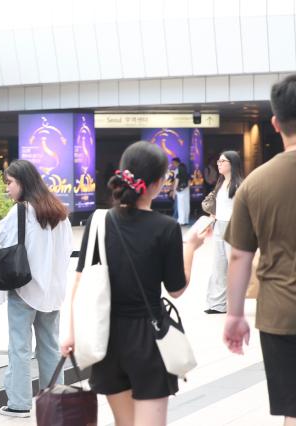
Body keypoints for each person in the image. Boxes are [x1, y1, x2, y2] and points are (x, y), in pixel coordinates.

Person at [60, 142, 205, 426]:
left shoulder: (99, 221)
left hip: (107, 340)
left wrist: (70, 333)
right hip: (149, 341)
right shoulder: (166, 228)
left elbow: (79, 280)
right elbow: (176, 289)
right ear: (159, 182)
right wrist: (191, 246)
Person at [223, 74, 296, 425]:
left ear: (275, 122)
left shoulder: (254, 184)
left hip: (280, 314)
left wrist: (234, 314)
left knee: (292, 410)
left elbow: (240, 256)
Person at [0, 160, 73, 418]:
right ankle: (55, 402)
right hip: (51, 290)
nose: (7, 189)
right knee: (50, 345)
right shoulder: (58, 212)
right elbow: (67, 249)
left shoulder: (21, 212)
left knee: (19, 345)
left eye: (10, 183)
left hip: (24, 287)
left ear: (23, 183)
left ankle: (19, 403)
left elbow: (3, 237)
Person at [204, 150, 243, 314]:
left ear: (232, 164)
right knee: (218, 265)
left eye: (222, 161)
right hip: (219, 225)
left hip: (233, 226)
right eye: (218, 161)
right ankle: (217, 304)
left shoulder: (240, 185)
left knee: (233, 267)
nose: (219, 164)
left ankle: (235, 304)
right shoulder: (220, 184)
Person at [173, 159, 191, 225]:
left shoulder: (178, 174)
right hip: (186, 190)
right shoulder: (187, 174)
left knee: (181, 206)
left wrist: (174, 192)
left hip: (180, 191)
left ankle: (181, 220)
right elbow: (189, 184)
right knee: (186, 205)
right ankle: (186, 220)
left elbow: (176, 183)